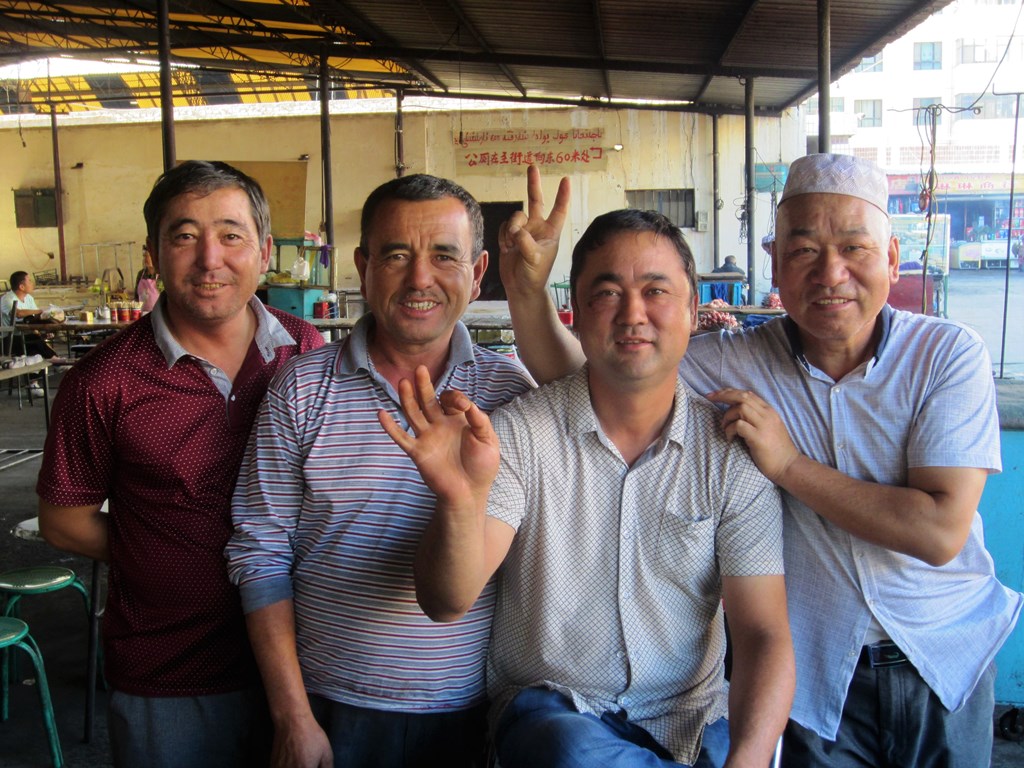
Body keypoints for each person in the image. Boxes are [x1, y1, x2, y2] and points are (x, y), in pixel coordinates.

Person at [501, 157, 1023, 767]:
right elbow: (595, 377)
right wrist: (528, 291)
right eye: (803, 251)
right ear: (776, 263)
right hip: (824, 673)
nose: (831, 273)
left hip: (944, 654)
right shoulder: (729, 360)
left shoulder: (945, 355)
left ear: (892, 258)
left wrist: (789, 466)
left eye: (854, 247)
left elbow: (938, 532)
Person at [383, 204, 795, 768]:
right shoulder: (521, 434)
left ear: (694, 311)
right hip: (554, 723)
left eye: (656, 291)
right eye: (607, 293)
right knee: (570, 752)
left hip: (690, 723)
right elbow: (445, 600)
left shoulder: (728, 455)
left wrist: (748, 761)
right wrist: (459, 498)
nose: (633, 314)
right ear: (574, 312)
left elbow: (763, 632)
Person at [225, 174, 535, 768]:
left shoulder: (508, 394)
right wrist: (293, 717)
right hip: (329, 708)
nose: (420, 278)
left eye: (444, 255)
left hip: (469, 709)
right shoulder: (300, 390)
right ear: (365, 266)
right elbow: (259, 553)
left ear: (477, 272)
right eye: (396, 255)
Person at [36, 160, 324, 768]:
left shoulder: (309, 353)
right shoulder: (103, 382)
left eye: (231, 235)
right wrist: (163, 549)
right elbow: (65, 521)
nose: (209, 258)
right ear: (153, 254)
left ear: (265, 248)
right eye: (185, 236)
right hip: (170, 671)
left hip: (312, 657)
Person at [2, 270, 61, 364]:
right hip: (9, 339)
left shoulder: (29, 298)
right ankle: (56, 360)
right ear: (21, 286)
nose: (32, 283)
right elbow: (18, 313)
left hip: (26, 335)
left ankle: (54, 360)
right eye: (29, 281)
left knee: (37, 339)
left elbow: (34, 317)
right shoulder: (7, 299)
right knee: (34, 340)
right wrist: (41, 310)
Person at [134, 245, 160, 311]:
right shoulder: (141, 274)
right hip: (143, 313)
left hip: (158, 313)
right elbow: (136, 297)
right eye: (144, 256)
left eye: (147, 256)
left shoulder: (161, 274)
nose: (145, 259)